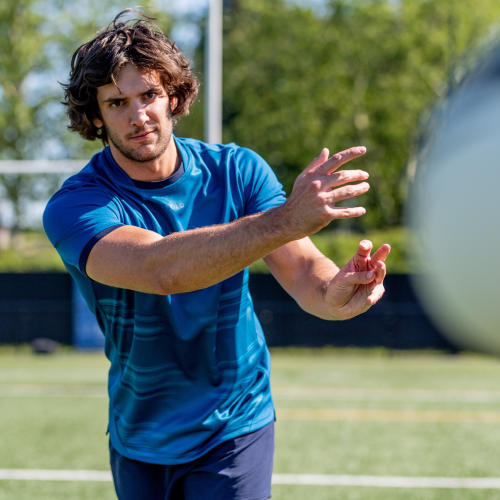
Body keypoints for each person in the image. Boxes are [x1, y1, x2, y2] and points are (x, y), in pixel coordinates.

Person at [43, 10, 390, 500]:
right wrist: (287, 218)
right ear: (96, 116)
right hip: (141, 431)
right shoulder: (77, 205)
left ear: (174, 96)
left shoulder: (239, 172)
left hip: (235, 425)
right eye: (118, 102)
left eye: (149, 95)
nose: (139, 115)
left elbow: (307, 273)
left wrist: (339, 294)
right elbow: (158, 269)